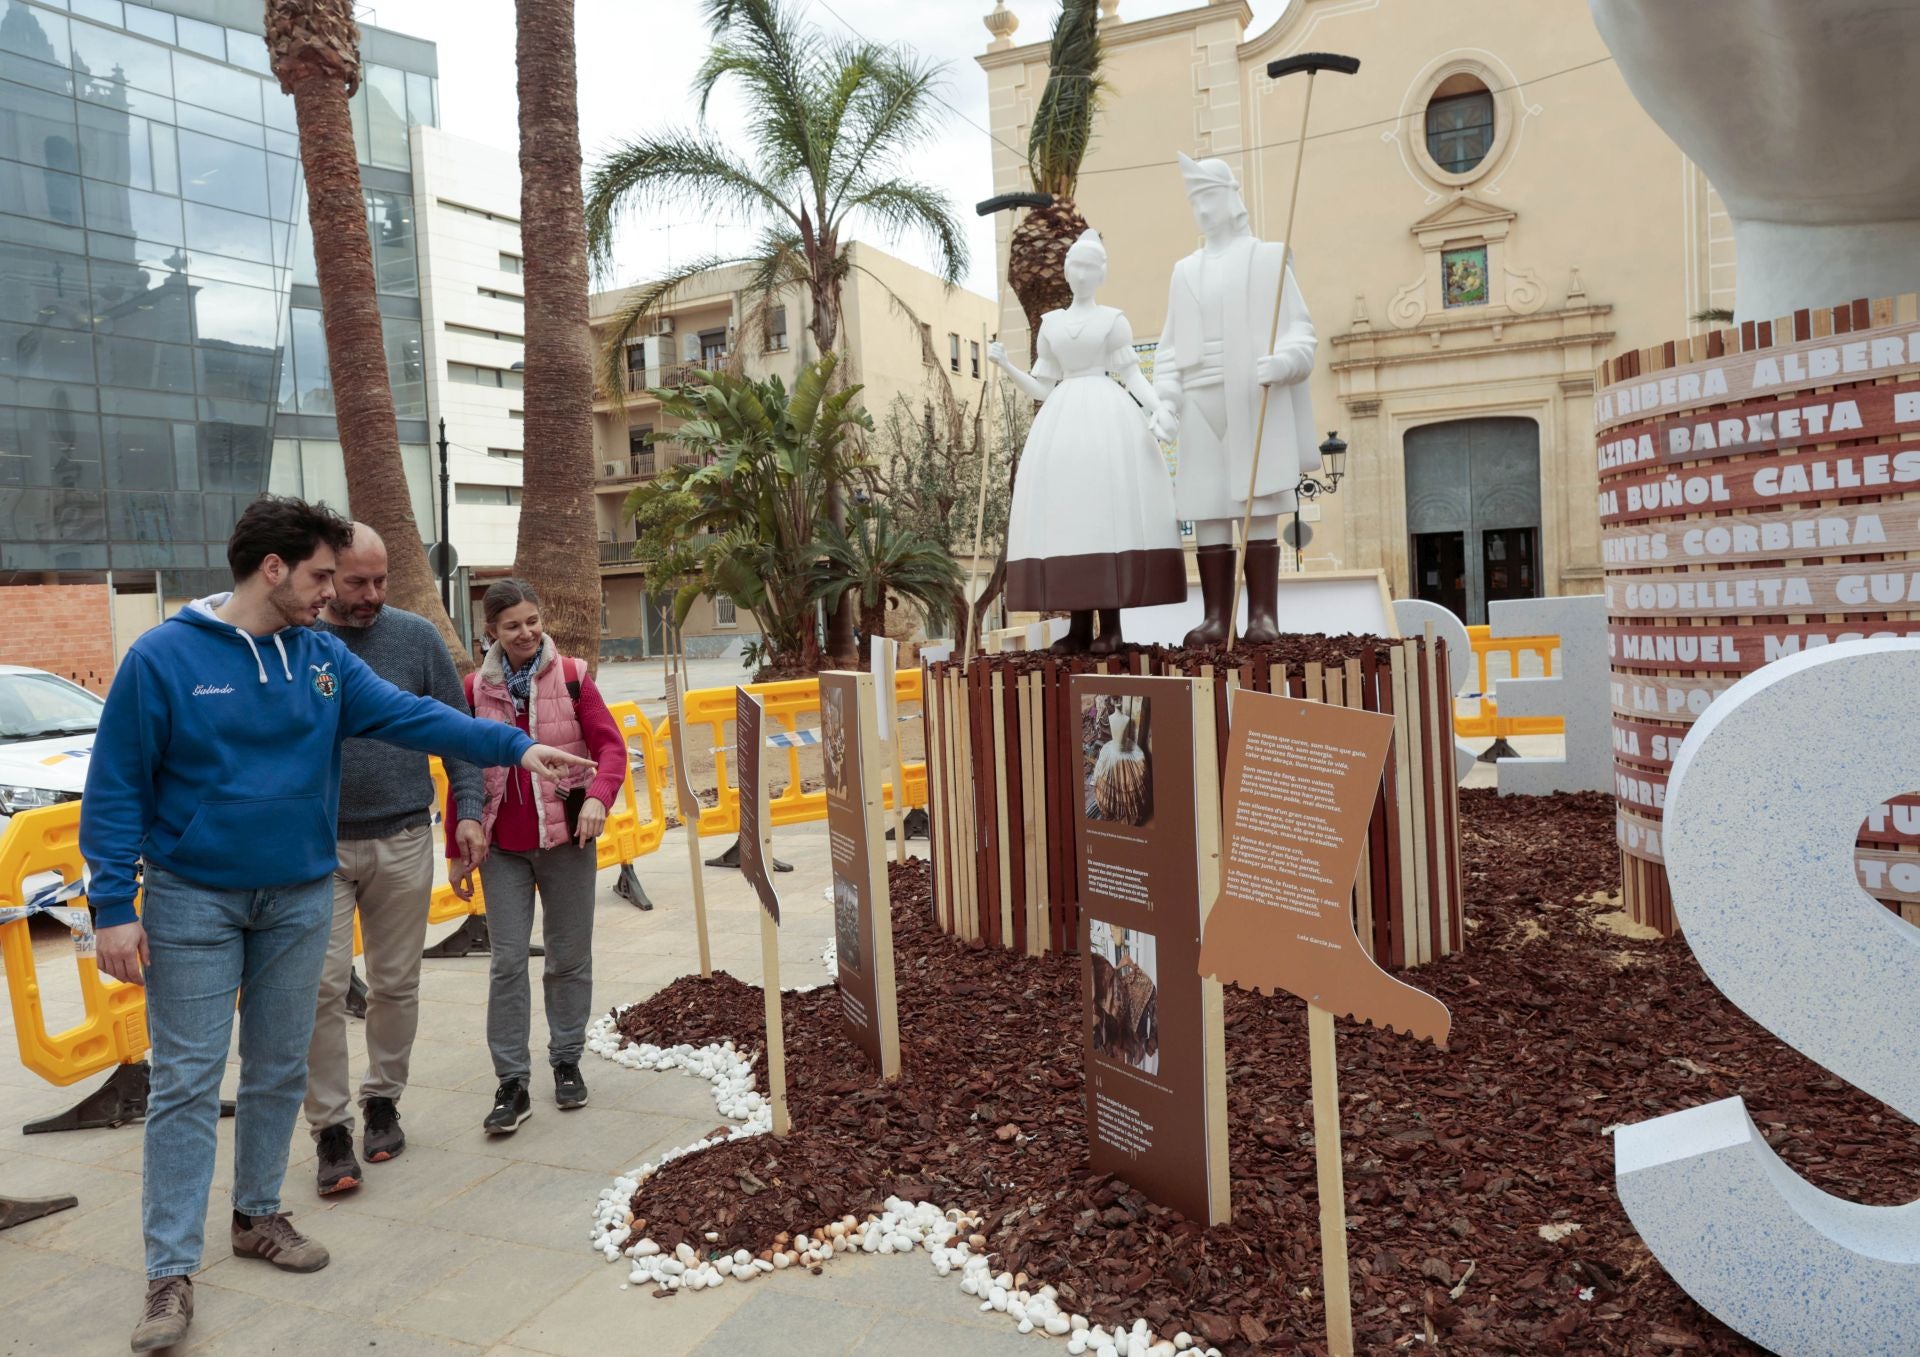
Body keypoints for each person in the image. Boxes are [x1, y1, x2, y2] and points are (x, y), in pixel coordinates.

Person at [81, 497, 593, 1354]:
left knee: (280, 1064)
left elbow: (413, 715)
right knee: (186, 1082)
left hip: (297, 892)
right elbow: (117, 784)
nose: (334, 591)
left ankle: (255, 1216)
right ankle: (169, 1269)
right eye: (323, 573)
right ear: (274, 568)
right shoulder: (163, 657)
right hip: (191, 898)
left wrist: (512, 748)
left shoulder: (319, 658)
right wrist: (111, 909)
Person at [303, 524, 490, 1197]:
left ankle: (382, 1097)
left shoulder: (414, 637)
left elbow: (457, 731)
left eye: (381, 581)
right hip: (317, 849)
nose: (372, 595)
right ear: (325, 575)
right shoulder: (302, 641)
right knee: (319, 987)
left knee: (395, 982)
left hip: (404, 836)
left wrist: (468, 806)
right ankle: (329, 1126)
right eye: (357, 582)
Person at [452, 578, 627, 1135]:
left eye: (532, 620)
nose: (526, 632)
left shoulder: (573, 677)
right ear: (490, 632)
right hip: (503, 847)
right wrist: (464, 836)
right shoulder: (474, 691)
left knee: (568, 958)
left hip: (569, 842)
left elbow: (611, 749)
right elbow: (465, 769)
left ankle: (567, 1060)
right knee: (506, 963)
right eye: (512, 625)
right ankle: (512, 1081)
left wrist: (598, 799)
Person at [988, 229, 1186, 655]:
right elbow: (1042, 386)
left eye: (1091, 267)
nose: (1082, 273)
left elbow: (1132, 374)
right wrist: (1004, 365)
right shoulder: (1052, 325)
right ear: (1066, 269)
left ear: (1102, 273)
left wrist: (1157, 408)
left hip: (1107, 419)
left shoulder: (1113, 321)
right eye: (1076, 265)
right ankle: (1078, 627)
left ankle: (1111, 627)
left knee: (1106, 514)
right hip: (1062, 424)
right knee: (1072, 520)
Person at [1151, 152, 1320, 647]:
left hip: (1251, 399)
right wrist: (1167, 400)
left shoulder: (1268, 260)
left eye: (1207, 197)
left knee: (1260, 505)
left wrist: (1284, 362)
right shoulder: (1183, 271)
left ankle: (1262, 615)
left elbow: (1302, 334)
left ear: (1230, 197)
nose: (1201, 210)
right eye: (1193, 201)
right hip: (1201, 402)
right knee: (1208, 513)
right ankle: (1216, 617)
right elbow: (1167, 349)